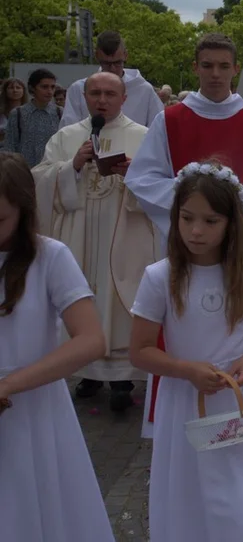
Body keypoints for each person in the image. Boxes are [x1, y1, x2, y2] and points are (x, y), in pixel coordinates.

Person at [126, 32, 243, 435]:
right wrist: (190, 195)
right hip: (188, 244)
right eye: (207, 65)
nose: (215, 74)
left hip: (236, 246)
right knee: (178, 325)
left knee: (236, 327)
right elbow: (143, 177)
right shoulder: (171, 119)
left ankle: (238, 397)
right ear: (196, 67)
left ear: (236, 69)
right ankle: (171, 419)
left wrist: (233, 207)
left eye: (223, 66)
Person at [129, 161, 243, 541]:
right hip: (185, 399)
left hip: (238, 398)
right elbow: (139, 351)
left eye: (210, 221)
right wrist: (186, 369)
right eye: (187, 219)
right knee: (191, 495)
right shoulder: (161, 277)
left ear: (230, 223)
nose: (196, 231)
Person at [0, 152, 114, 541]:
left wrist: (10, 384)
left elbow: (91, 340)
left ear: (23, 209)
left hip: (32, 408)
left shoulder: (49, 256)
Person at [32, 71, 160, 411]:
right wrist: (71, 166)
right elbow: (39, 181)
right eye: (95, 93)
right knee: (81, 294)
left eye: (109, 94)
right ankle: (86, 372)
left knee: (119, 303)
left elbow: (161, 188)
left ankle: (121, 378)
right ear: (84, 97)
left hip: (124, 237)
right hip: (79, 234)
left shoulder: (145, 137)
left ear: (124, 99)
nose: (102, 100)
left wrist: (133, 174)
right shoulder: (66, 137)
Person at [61, 31, 165, 128]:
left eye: (117, 63)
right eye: (106, 63)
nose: (112, 69)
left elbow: (158, 129)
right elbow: (68, 131)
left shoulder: (144, 90)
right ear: (97, 56)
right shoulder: (78, 89)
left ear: (125, 55)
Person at [4, 68, 61, 166]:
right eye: (44, 87)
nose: (50, 91)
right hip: (25, 171)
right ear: (32, 88)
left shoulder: (59, 112)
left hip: (52, 171)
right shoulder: (18, 114)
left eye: (52, 87)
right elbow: (10, 146)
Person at [0, 77, 29, 146]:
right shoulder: (1, 112)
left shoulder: (29, 111)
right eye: (11, 88)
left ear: (23, 91)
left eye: (18, 87)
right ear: (5, 91)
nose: (15, 90)